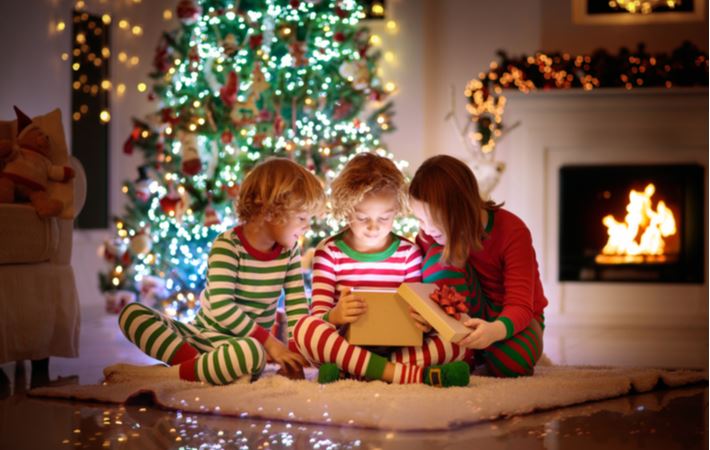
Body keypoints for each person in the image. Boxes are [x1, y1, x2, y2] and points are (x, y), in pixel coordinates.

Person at [106, 158, 325, 385]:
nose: (306, 227)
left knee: (252, 353)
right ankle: (196, 368)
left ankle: (173, 375)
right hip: (199, 336)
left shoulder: (289, 253)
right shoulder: (228, 246)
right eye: (301, 218)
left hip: (242, 347)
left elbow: (297, 305)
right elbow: (221, 307)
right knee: (132, 314)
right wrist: (271, 343)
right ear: (269, 210)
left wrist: (295, 355)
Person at [293, 152, 470, 387]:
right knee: (304, 329)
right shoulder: (329, 252)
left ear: (397, 210)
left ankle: (359, 372)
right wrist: (336, 315)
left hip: (398, 349)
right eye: (362, 217)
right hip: (347, 347)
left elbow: (422, 316)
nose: (373, 227)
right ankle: (406, 375)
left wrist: (423, 322)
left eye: (384, 218)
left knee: (458, 337)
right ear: (346, 210)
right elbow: (319, 317)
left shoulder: (408, 254)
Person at [409, 154, 547, 377]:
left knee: (513, 364)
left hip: (512, 320)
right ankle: (466, 351)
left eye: (433, 219)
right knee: (440, 257)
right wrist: (423, 316)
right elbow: (419, 286)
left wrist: (495, 331)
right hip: (464, 316)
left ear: (460, 209)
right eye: (420, 219)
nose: (427, 228)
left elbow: (521, 305)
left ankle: (477, 350)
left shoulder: (511, 230)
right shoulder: (429, 235)